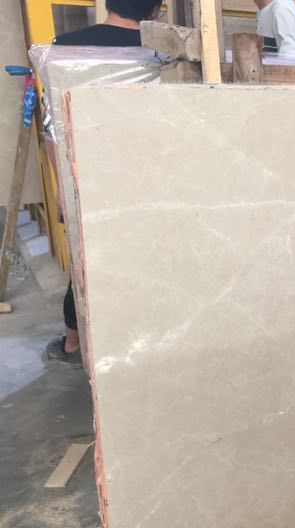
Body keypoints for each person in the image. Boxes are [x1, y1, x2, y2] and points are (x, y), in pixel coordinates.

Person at [45, 0, 161, 364]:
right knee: (146, 257)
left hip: (85, 175)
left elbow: (53, 128)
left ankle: (73, 344)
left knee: (86, 262)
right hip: (148, 176)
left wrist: (62, 189)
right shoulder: (161, 52)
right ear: (156, 10)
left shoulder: (65, 46)